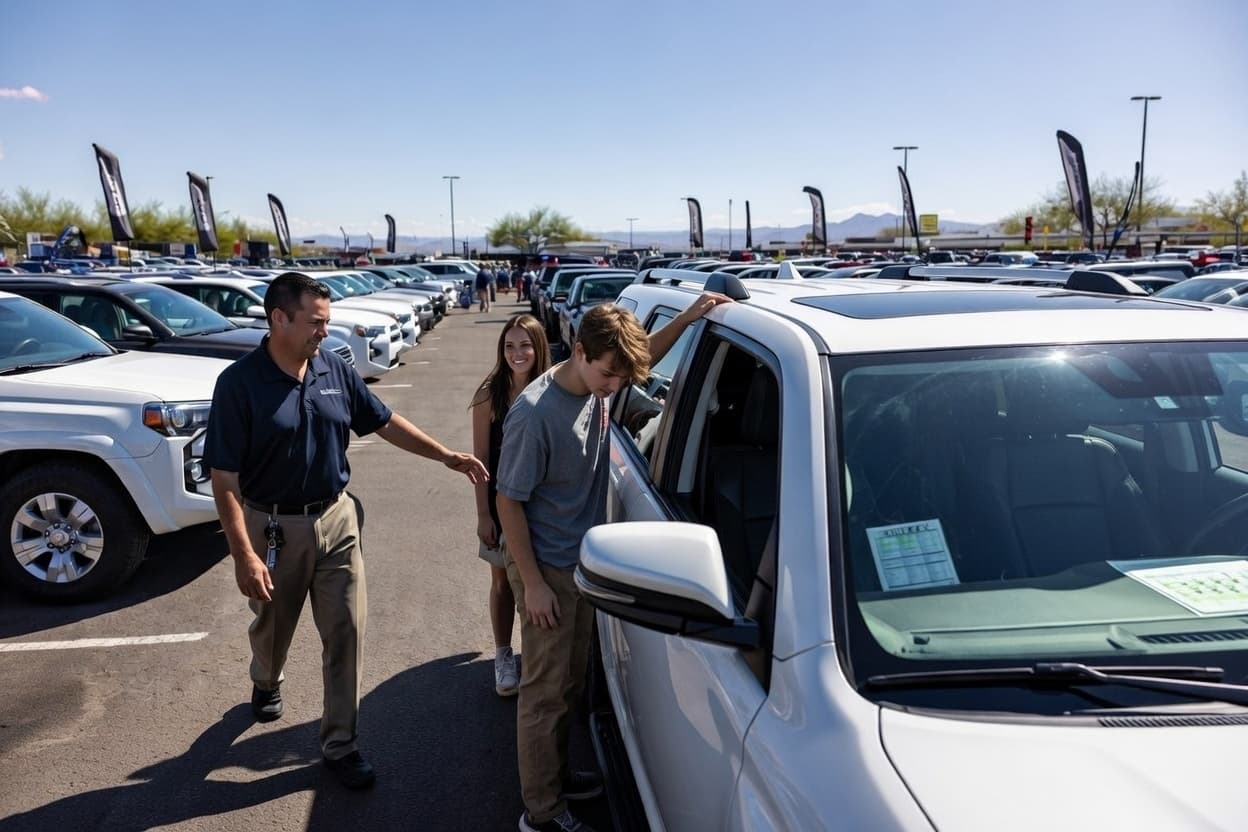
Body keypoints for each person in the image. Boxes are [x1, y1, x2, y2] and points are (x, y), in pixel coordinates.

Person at [203, 272, 487, 790]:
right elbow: (224, 478)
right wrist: (243, 553)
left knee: (346, 632)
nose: (324, 333)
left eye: (327, 323)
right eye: (315, 323)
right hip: (272, 527)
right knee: (272, 627)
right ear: (278, 319)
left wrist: (444, 455)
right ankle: (266, 679)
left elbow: (382, 420)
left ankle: (341, 744)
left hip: (337, 519)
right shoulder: (239, 384)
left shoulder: (334, 367)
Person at [496, 293, 731, 832]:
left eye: (619, 379)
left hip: (575, 561)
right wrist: (531, 584)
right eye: (608, 377)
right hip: (545, 569)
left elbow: (639, 353)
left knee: (569, 685)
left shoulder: (600, 376)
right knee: (545, 695)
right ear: (579, 352)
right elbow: (507, 501)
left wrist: (692, 316)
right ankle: (541, 811)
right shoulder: (534, 415)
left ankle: (553, 778)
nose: (615, 388)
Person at [470, 313, 551, 697]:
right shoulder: (490, 394)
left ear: (539, 348)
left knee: (541, 582)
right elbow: (481, 460)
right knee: (502, 581)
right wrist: (484, 514)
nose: (517, 354)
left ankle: (536, 658)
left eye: (525, 345)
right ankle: (504, 656)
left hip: (546, 506)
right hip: (502, 506)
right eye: (509, 346)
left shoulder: (554, 388)